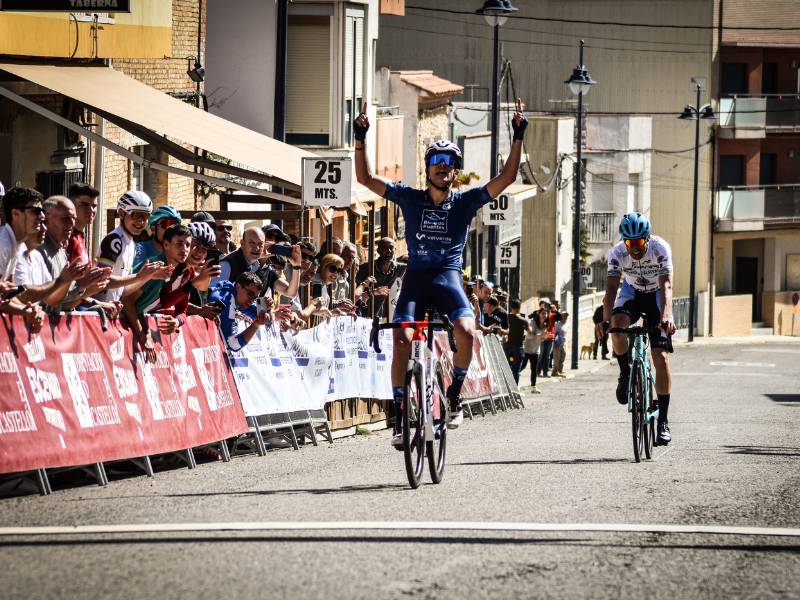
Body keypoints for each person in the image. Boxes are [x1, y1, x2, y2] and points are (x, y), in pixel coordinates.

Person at [354, 97, 528, 443]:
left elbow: (507, 177)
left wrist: (518, 134)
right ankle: (401, 417)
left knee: (466, 332)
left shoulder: (465, 202)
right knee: (401, 339)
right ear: (428, 167)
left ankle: (454, 396)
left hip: (447, 278)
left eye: (450, 163)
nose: (443, 167)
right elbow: (365, 178)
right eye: (437, 161)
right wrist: (360, 137)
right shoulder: (410, 197)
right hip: (416, 279)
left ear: (455, 171)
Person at [603, 212, 676, 446]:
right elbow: (611, 290)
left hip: (656, 298)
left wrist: (666, 317)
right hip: (632, 293)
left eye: (637, 242)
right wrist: (605, 320)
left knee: (661, 358)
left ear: (646, 238)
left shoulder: (660, 248)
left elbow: (666, 285)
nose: (633, 247)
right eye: (629, 242)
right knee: (617, 326)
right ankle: (625, 373)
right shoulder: (617, 253)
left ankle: (663, 422)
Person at [94, 191, 171, 305]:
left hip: (112, 311)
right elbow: (101, 280)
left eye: (145, 216)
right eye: (135, 215)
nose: (140, 221)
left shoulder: (132, 244)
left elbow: (124, 291)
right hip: (97, 312)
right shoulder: (114, 240)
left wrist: (149, 276)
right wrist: (139, 276)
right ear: (121, 213)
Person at [355, 237, 401, 319]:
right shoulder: (365, 268)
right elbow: (353, 296)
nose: (389, 251)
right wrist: (373, 292)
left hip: (382, 318)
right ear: (378, 251)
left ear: (395, 250)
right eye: (385, 248)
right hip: (362, 316)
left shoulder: (398, 268)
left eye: (391, 248)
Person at [66, 182, 99, 264]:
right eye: (85, 205)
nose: (91, 210)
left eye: (94, 206)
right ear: (71, 205)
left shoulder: (79, 235)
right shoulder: (68, 238)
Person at [504, 298, 530, 384]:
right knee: (516, 371)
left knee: (506, 369)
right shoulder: (523, 320)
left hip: (507, 348)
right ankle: (515, 390)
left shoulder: (506, 318)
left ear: (511, 307)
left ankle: (507, 389)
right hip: (518, 349)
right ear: (519, 308)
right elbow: (530, 331)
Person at [522, 308, 547, 393]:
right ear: (539, 314)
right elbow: (530, 336)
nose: (545, 315)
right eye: (543, 313)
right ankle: (512, 382)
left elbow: (541, 339)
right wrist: (541, 335)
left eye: (546, 314)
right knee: (522, 366)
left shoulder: (544, 325)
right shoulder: (532, 323)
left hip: (535, 350)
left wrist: (545, 337)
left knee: (534, 369)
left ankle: (533, 387)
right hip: (526, 349)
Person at [537, 298, 555, 378]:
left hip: (550, 338)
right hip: (542, 337)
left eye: (548, 305)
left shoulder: (552, 314)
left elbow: (560, 317)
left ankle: (545, 372)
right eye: (545, 305)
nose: (546, 307)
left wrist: (554, 309)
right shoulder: (540, 314)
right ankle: (537, 372)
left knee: (547, 356)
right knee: (541, 355)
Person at [551, 311, 569, 377]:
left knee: (563, 356)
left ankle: (560, 370)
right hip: (557, 342)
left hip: (563, 342)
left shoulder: (567, 324)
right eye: (564, 315)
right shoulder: (557, 324)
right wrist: (555, 342)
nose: (565, 317)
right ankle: (554, 372)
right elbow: (554, 333)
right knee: (557, 358)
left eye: (566, 315)